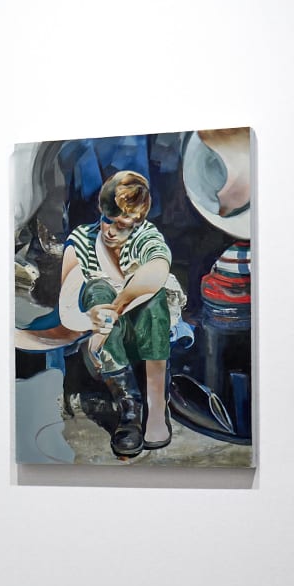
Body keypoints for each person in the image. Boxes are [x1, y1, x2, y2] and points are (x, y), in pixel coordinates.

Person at [16, 170, 184, 457]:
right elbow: (68, 306)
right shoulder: (83, 239)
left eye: (121, 225)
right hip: (101, 345)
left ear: (137, 222)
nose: (110, 231)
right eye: (107, 219)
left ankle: (157, 408)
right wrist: (93, 320)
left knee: (153, 298)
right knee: (97, 289)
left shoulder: (146, 237)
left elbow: (157, 271)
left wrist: (116, 310)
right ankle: (130, 408)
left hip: (143, 333)